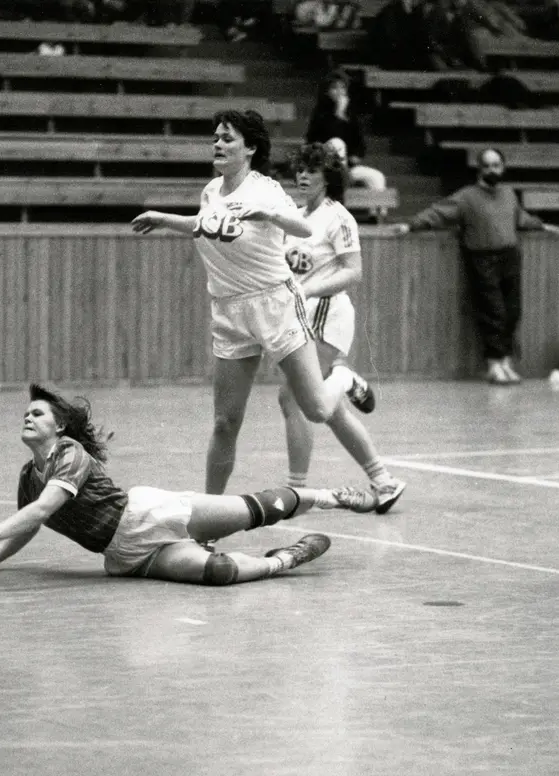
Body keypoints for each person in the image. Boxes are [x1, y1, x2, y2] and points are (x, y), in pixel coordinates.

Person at [131, 109, 379, 500]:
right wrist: (164, 219)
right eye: (215, 138)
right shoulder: (212, 191)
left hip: (275, 305)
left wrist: (268, 213)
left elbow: (304, 227)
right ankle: (210, 516)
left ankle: (344, 379)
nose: (218, 144)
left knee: (315, 408)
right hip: (229, 311)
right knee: (224, 423)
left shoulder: (266, 190)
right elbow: (204, 224)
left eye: (227, 138)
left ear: (249, 148)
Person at [0, 384, 382, 584]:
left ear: (59, 426)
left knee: (259, 509)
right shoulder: (29, 477)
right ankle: (286, 559)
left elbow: (42, 510)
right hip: (124, 555)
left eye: (37, 413)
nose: (27, 417)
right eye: (25, 414)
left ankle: (329, 496)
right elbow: (30, 523)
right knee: (218, 572)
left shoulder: (69, 453)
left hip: (148, 516)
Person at [280, 143, 406, 512]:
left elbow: (353, 272)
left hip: (327, 315)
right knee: (330, 410)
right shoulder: (295, 216)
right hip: (299, 317)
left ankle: (297, 492)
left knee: (293, 398)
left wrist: (308, 290)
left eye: (312, 170)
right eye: (300, 168)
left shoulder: (339, 218)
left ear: (329, 176)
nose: (303, 175)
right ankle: (384, 481)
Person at [388, 148, 559, 385]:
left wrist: (540, 225)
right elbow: (438, 213)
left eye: (496, 165)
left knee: (512, 312)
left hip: (510, 257)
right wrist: (411, 225)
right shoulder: (467, 197)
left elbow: (520, 218)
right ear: (479, 169)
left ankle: (506, 362)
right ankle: (494, 364)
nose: (492, 170)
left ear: (503, 167)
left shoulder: (509, 194)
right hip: (482, 259)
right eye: (487, 165)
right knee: (493, 312)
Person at [305, 70, 388, 199]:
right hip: (324, 168)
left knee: (377, 177)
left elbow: (360, 144)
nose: (339, 92)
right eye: (334, 88)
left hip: (347, 169)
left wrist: (357, 155)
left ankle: (376, 212)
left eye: (342, 88)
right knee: (337, 144)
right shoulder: (320, 113)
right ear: (327, 91)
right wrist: (338, 115)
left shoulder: (351, 115)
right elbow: (316, 142)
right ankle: (338, 192)